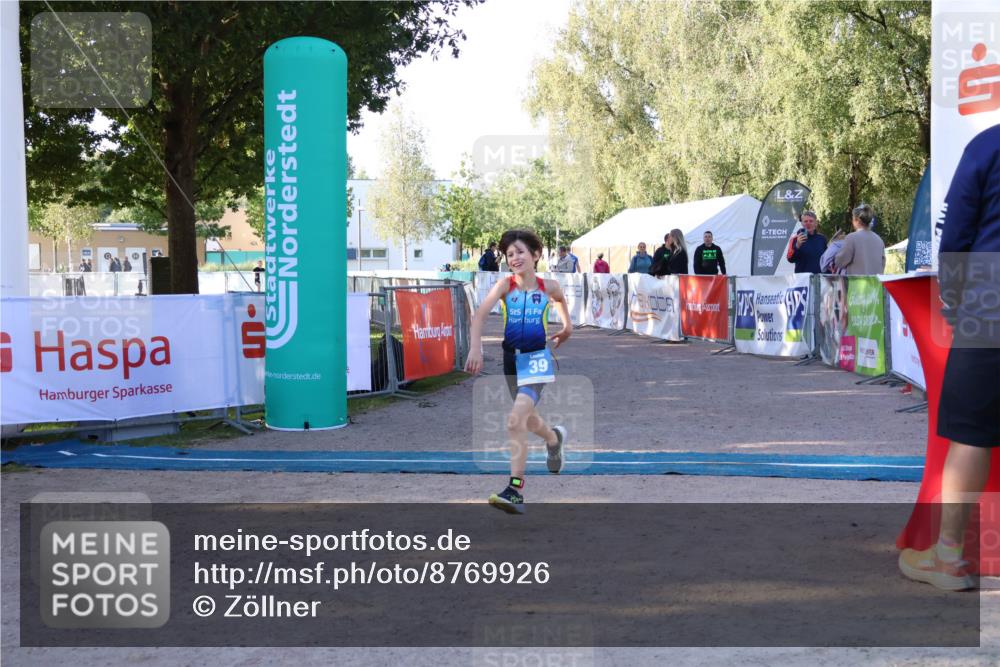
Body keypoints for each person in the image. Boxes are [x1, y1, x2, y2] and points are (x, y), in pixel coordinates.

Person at [898, 124, 1000, 591]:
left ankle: (948, 560)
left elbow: (956, 233)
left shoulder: (987, 145)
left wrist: (954, 304)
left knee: (970, 436)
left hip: (990, 299)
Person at [465, 228, 573, 514]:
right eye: (510, 254)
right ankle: (553, 438)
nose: (514, 258)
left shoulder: (547, 286)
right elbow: (478, 315)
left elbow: (561, 300)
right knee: (528, 418)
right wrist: (476, 348)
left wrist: (567, 328)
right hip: (510, 360)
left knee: (515, 421)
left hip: (537, 359)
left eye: (520, 252)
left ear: (535, 255)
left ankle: (515, 490)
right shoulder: (504, 286)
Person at [834, 204, 885, 275]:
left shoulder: (851, 238)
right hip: (875, 284)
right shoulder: (879, 240)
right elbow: (882, 265)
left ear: (856, 220)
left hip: (857, 284)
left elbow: (839, 262)